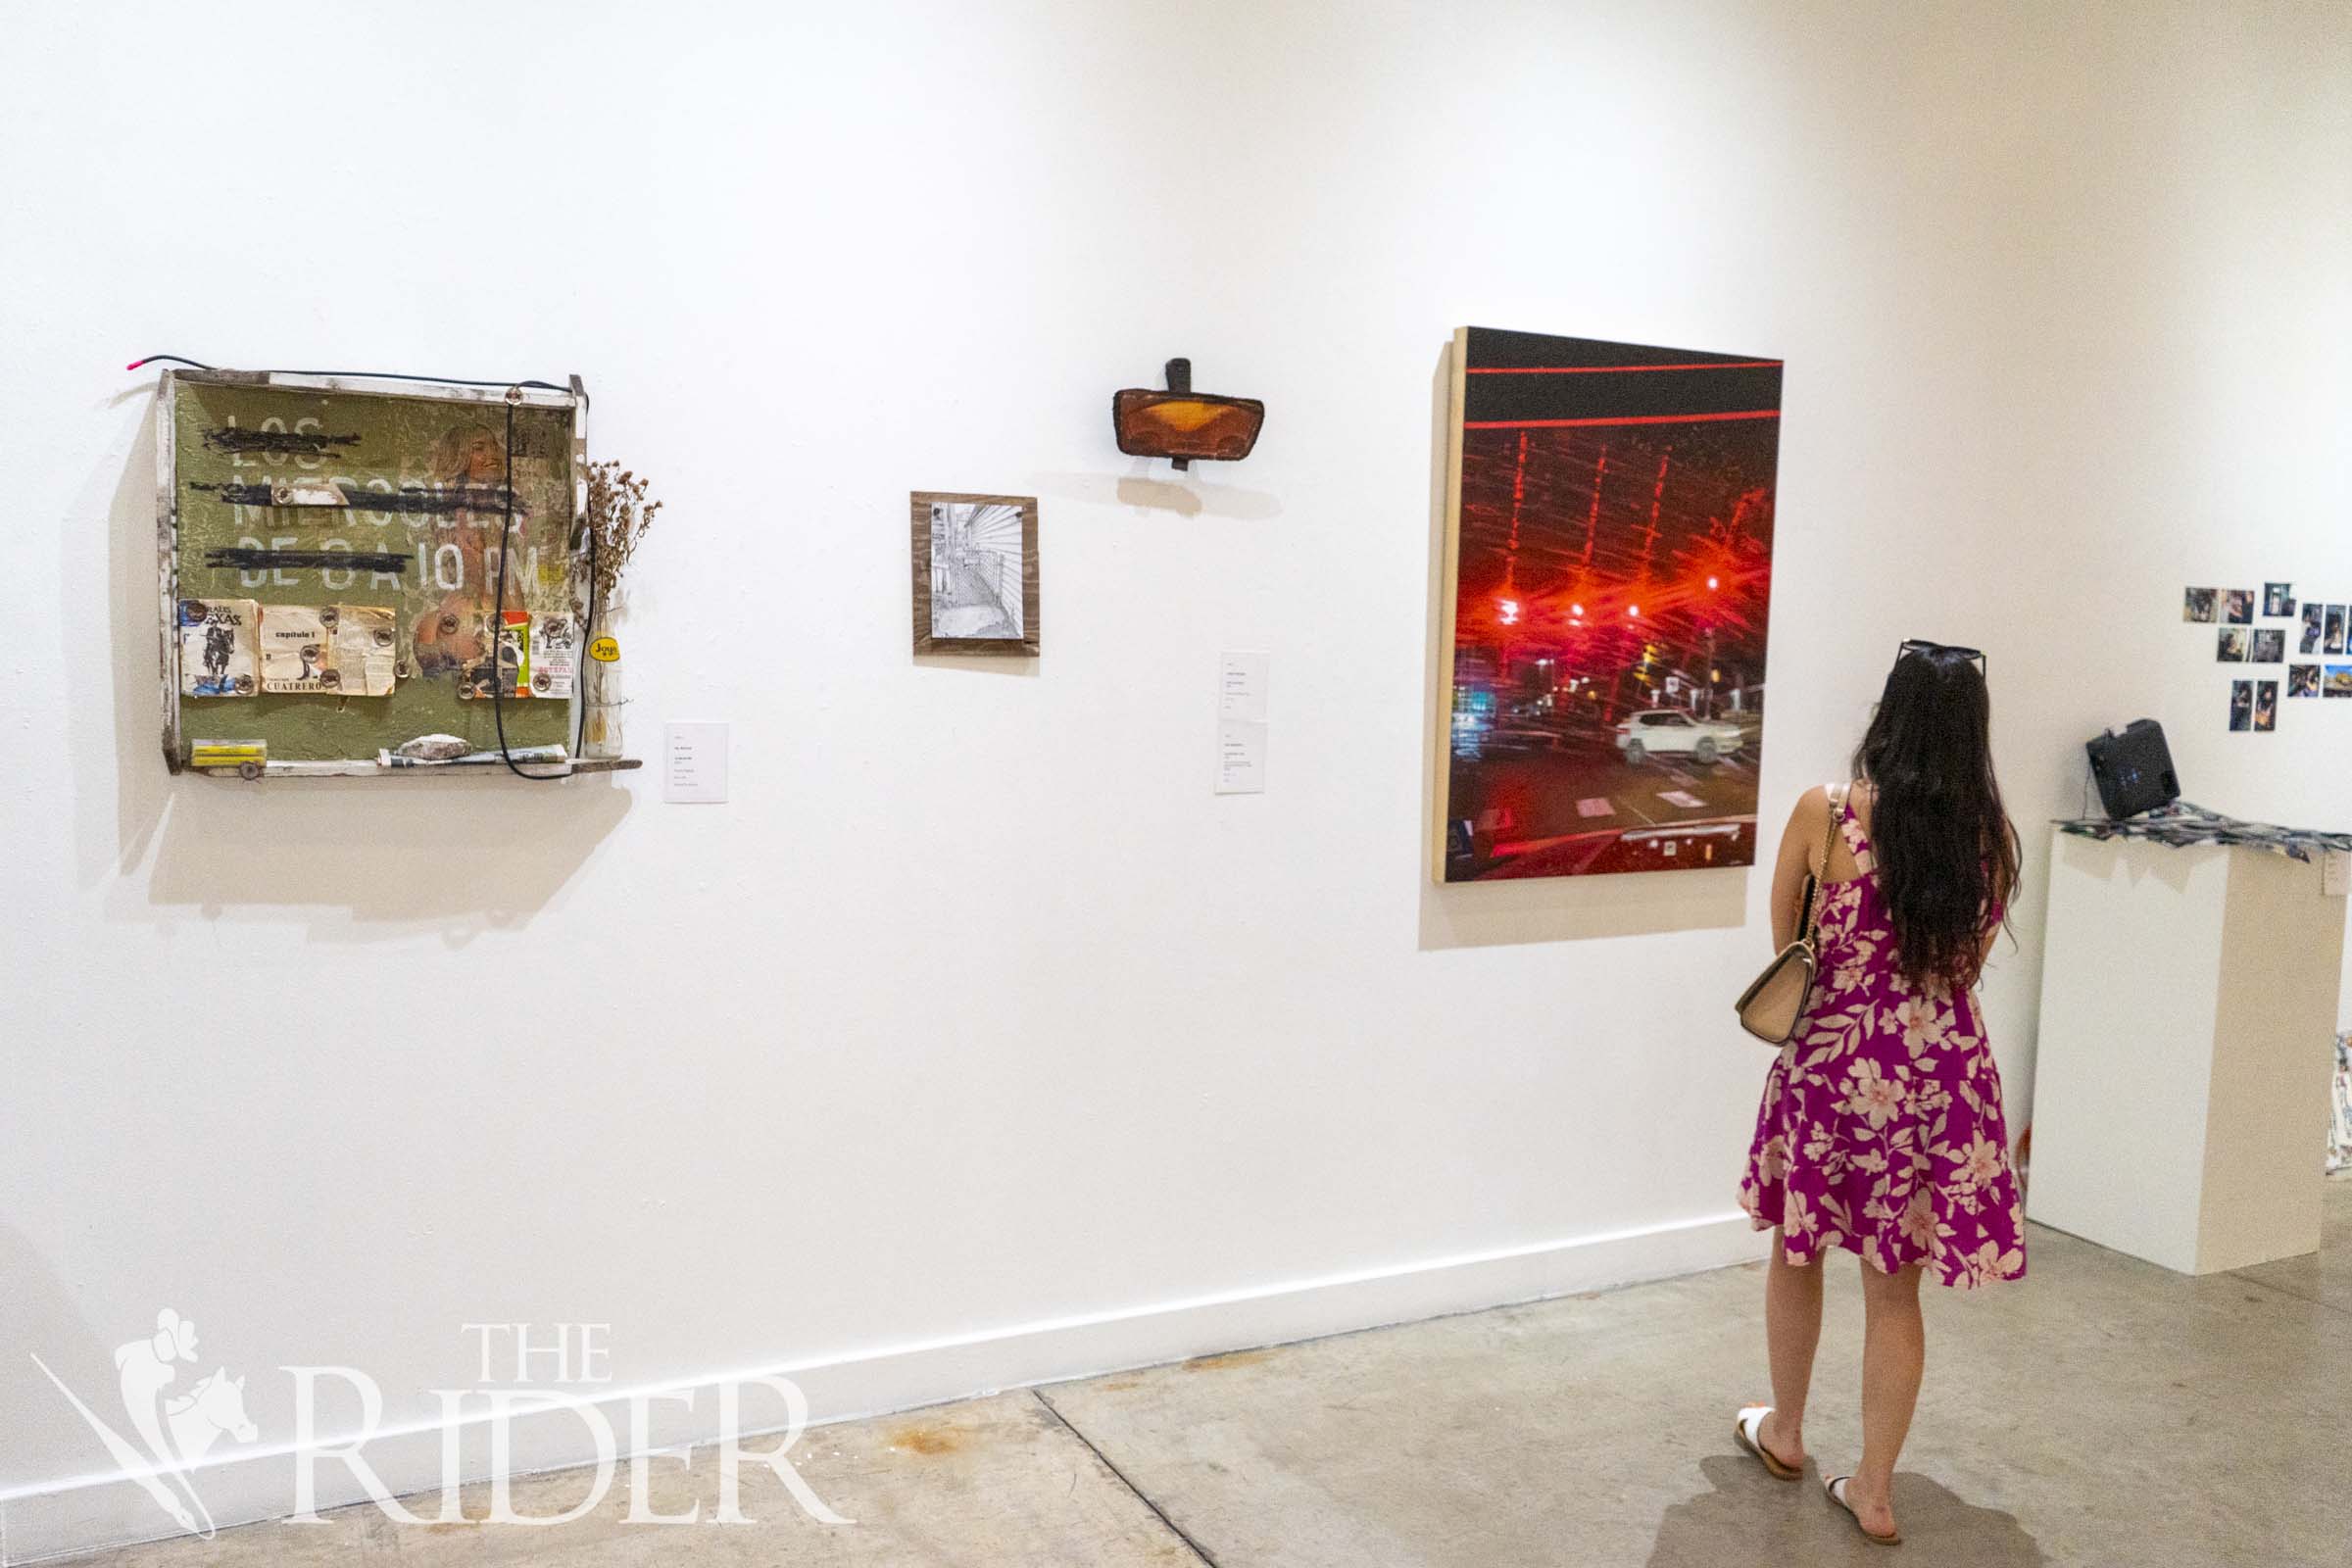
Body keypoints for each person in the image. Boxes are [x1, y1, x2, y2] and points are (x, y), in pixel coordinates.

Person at [1731, 640, 2026, 1546]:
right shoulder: (1987, 841)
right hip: (1940, 1082)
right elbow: (1967, 963)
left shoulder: (1827, 814)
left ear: (1887, 717)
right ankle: (1878, 1490)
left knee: (1800, 1251)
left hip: (1835, 1072)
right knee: (1897, 1292)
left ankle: (1785, 1430)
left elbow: (1788, 941)